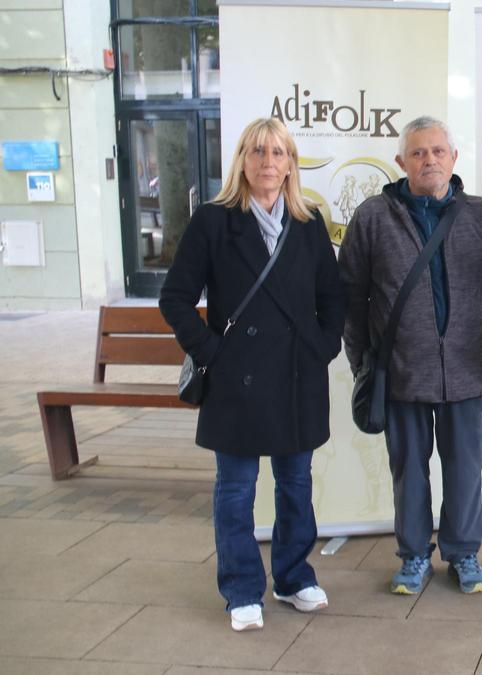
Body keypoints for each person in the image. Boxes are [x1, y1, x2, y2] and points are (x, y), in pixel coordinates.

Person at [160, 118, 346, 632]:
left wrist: (321, 346)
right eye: (258, 151)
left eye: (279, 153)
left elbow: (332, 298)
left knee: (295, 483)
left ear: (291, 163)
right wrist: (211, 352)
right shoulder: (214, 221)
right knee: (236, 489)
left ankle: (292, 578)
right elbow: (175, 299)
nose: (269, 162)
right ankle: (242, 589)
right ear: (242, 159)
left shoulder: (308, 224)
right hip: (235, 378)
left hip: (295, 377)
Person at [339, 116, 482, 596]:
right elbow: (350, 300)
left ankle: (463, 554)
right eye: (418, 153)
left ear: (455, 158)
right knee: (408, 471)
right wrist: (364, 364)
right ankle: (414, 555)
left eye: (439, 151)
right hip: (400, 373)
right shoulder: (373, 217)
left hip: (467, 371)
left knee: (465, 469)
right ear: (401, 162)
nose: (429, 160)